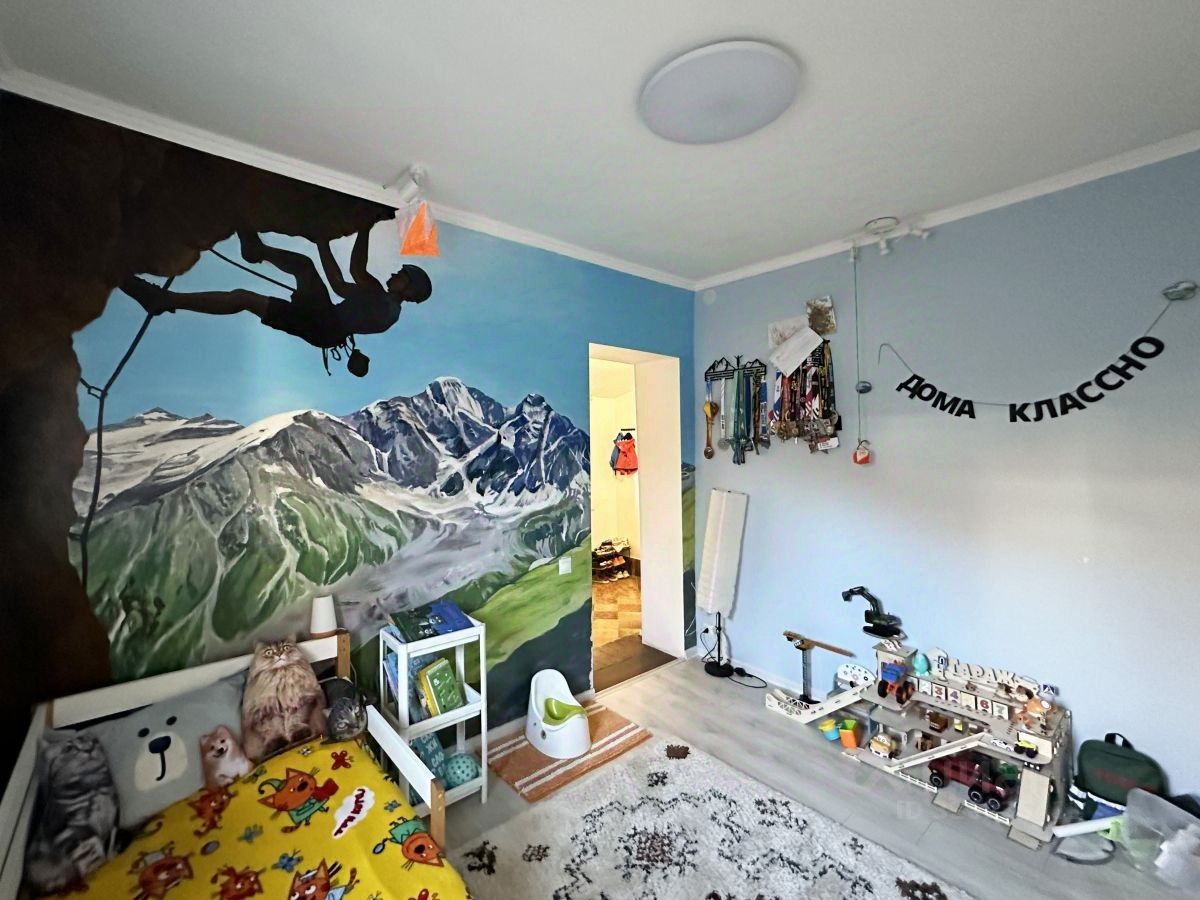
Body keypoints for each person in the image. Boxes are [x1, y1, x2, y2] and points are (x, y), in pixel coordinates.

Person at [121, 229, 432, 376]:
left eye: (402, 275)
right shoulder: (385, 309)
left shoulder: (384, 304)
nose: (396, 273)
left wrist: (363, 228)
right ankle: (257, 251)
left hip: (323, 323)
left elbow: (352, 273)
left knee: (246, 298)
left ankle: (164, 300)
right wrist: (321, 244)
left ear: (409, 291)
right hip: (324, 322)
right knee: (299, 269)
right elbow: (341, 283)